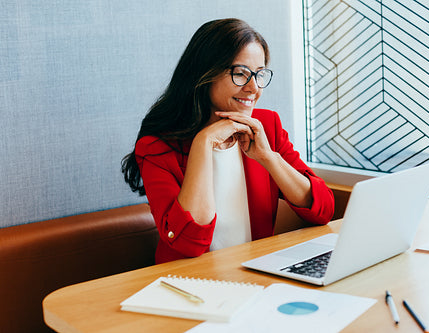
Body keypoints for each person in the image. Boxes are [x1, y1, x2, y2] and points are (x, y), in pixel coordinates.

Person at [121, 18, 335, 264]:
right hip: (188, 283)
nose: (253, 88)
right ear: (205, 74)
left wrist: (269, 158)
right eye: (241, 74)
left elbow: (324, 209)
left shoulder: (266, 125)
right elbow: (189, 243)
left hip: (254, 273)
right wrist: (204, 142)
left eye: (259, 75)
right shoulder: (157, 146)